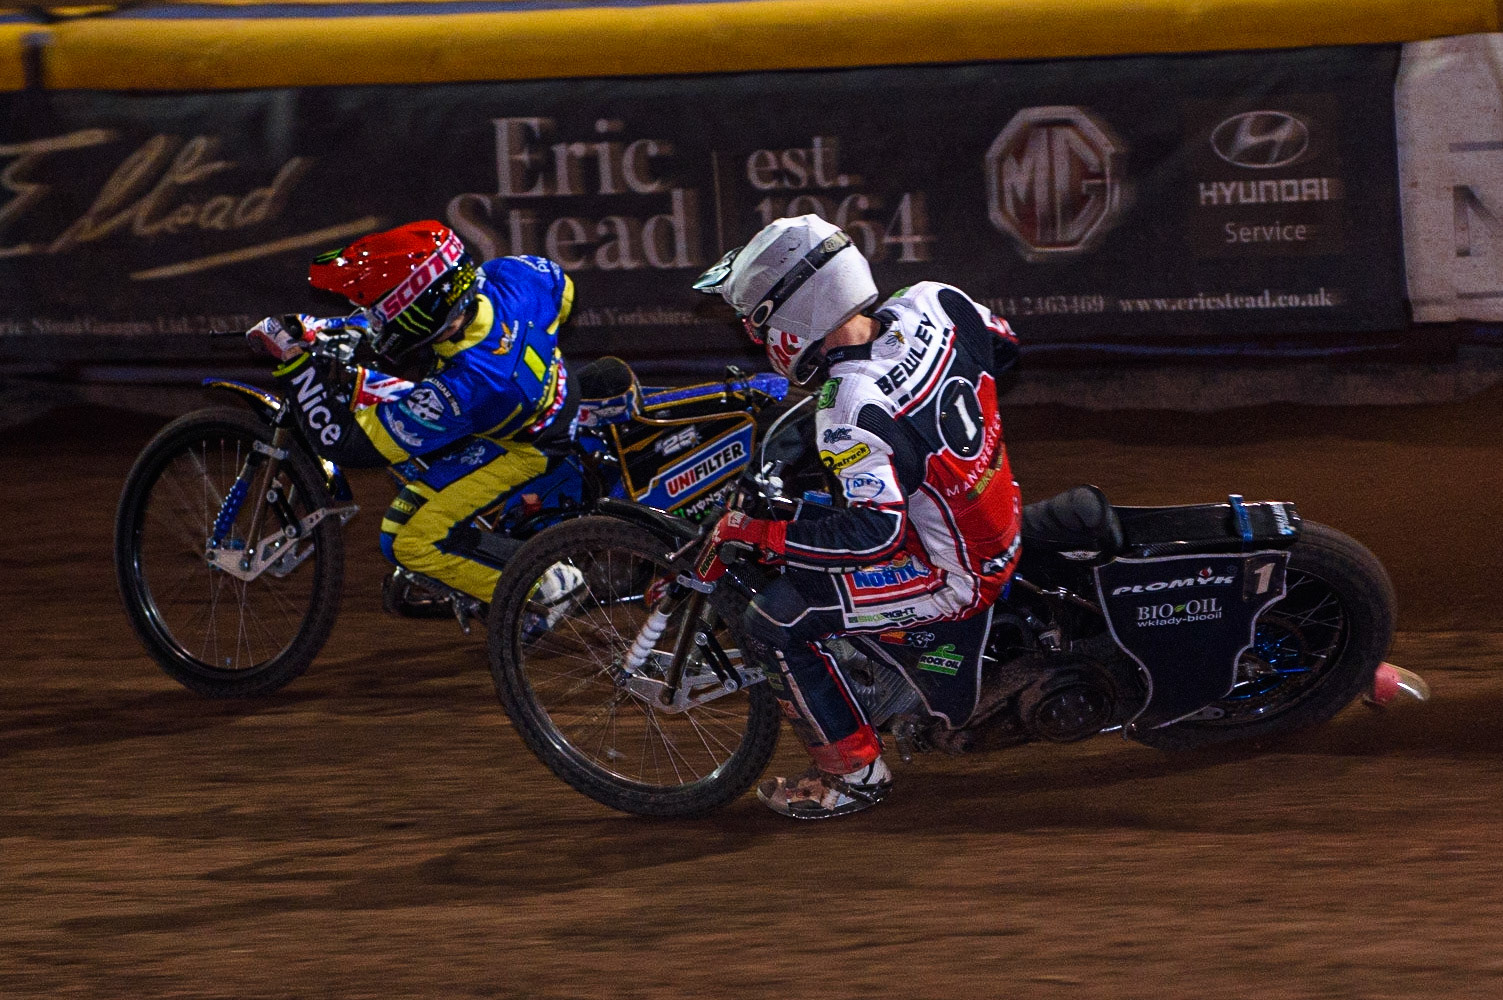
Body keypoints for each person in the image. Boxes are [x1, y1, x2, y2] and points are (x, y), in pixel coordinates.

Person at [692, 214, 1023, 819]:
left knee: (774, 622)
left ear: (793, 315)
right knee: (825, 515)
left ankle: (853, 774)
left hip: (955, 573)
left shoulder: (846, 407)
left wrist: (761, 532)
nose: (753, 334)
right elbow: (1004, 346)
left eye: (757, 321)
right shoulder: (935, 300)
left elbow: (876, 534)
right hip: (999, 512)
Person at [246, 220, 578, 615]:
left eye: (379, 310)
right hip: (555, 389)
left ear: (419, 312)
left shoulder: (464, 387)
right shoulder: (512, 276)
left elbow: (344, 442)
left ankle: (545, 586)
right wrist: (330, 329)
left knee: (407, 538)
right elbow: (563, 292)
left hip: (522, 446)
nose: (371, 316)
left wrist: (296, 367)